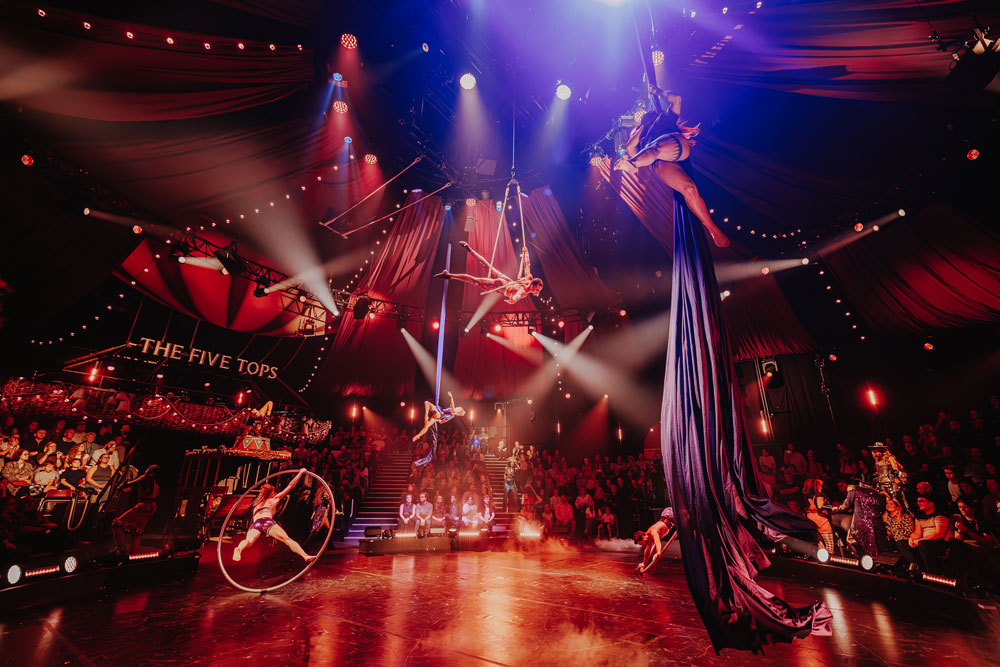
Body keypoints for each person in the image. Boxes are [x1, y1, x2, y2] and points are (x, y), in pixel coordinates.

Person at [613, 84, 729, 248]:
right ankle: (713, 230)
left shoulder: (666, 118)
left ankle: (632, 164)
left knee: (654, 147)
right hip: (659, 161)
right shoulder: (643, 138)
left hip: (673, 144)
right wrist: (642, 128)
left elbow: (677, 99)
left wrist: (658, 92)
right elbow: (631, 146)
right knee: (689, 189)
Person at [232, 469, 316, 563]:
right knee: (287, 540)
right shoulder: (273, 500)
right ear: (271, 492)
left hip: (256, 524)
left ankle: (239, 549)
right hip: (267, 522)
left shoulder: (256, 504)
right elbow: (290, 485)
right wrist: (300, 473)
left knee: (249, 541)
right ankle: (305, 556)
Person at [435, 242, 544, 305]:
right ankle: (450, 276)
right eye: (537, 290)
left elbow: (527, 265)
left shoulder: (529, 278)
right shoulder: (523, 291)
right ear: (533, 286)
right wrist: (513, 300)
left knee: (486, 265)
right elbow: (517, 295)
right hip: (502, 285)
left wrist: (526, 253)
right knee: (475, 280)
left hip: (507, 281)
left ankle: (469, 249)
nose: (537, 292)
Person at [113, 465, 160, 555]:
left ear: (150, 470)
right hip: (151, 506)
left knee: (116, 524)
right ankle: (133, 555)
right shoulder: (155, 483)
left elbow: (131, 483)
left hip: (143, 506)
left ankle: (121, 549)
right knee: (136, 532)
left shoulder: (145, 477)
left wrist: (122, 485)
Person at [635, 507, 678, 574]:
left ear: (643, 536)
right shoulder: (649, 539)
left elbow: (657, 541)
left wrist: (658, 552)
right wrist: (644, 563)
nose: (643, 545)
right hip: (669, 518)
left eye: (641, 543)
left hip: (669, 515)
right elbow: (647, 551)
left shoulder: (652, 531)